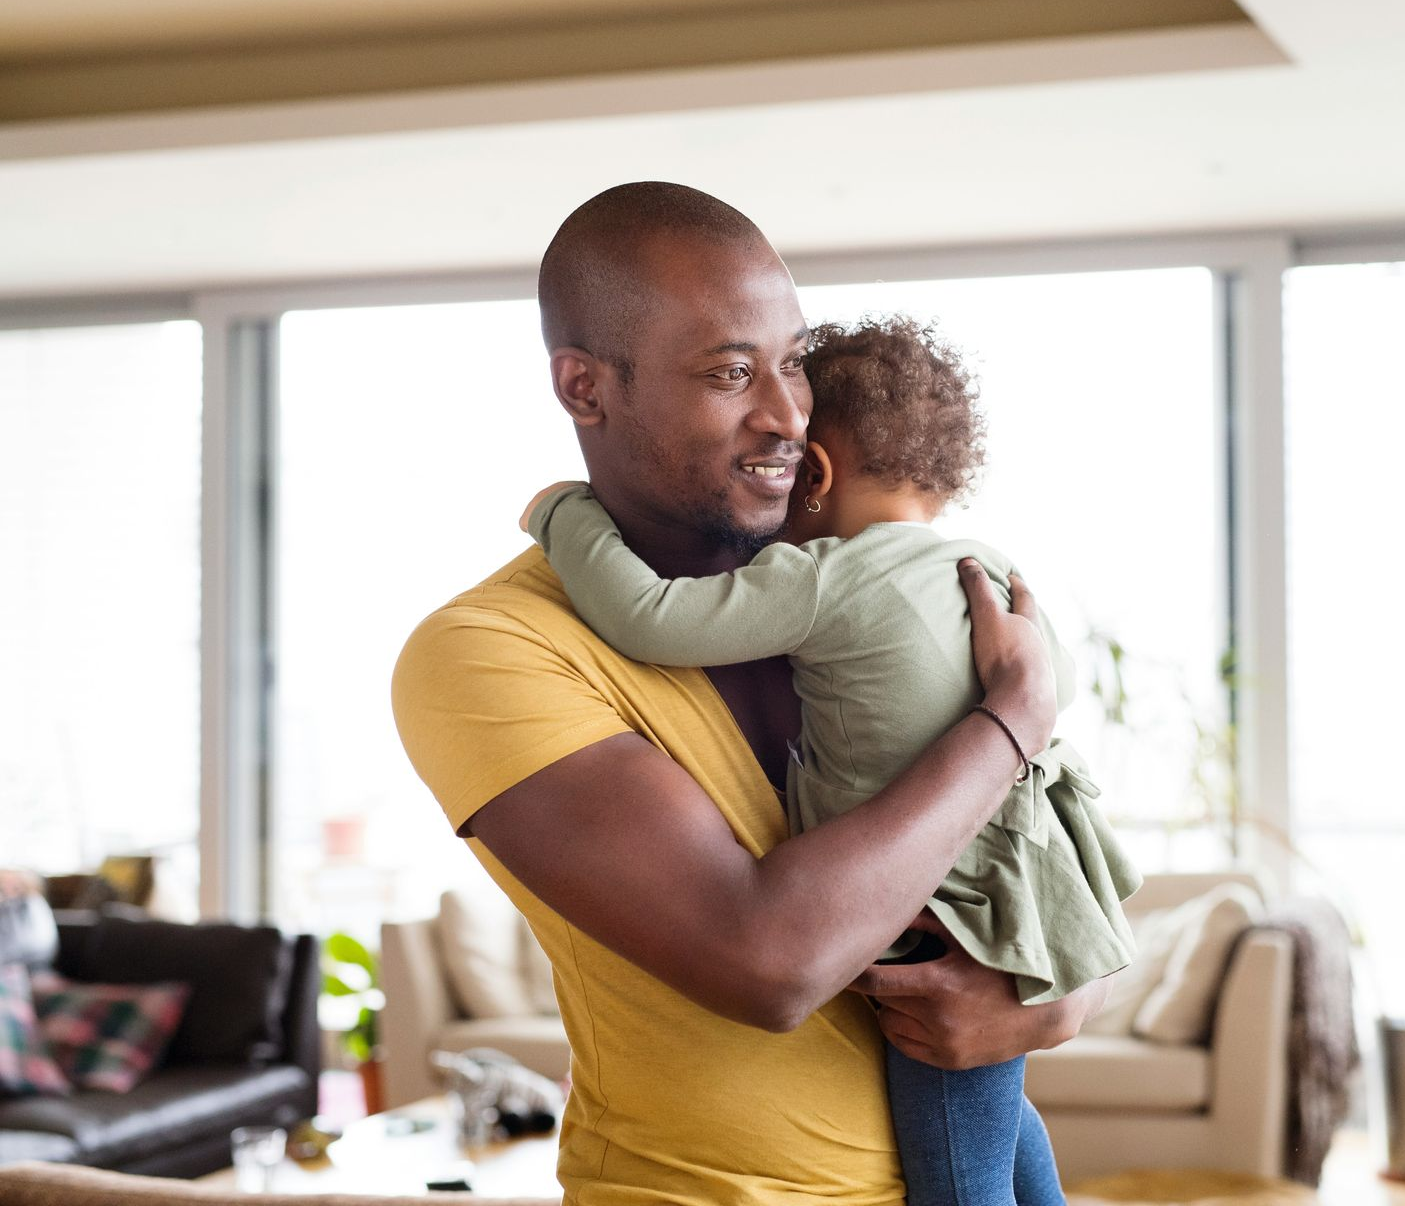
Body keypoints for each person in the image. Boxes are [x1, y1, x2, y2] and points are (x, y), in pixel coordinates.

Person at [392, 182, 1114, 1205]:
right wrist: (1011, 718)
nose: (784, 413)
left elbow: (1042, 847)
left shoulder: (847, 578)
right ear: (585, 387)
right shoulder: (488, 650)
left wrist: (1055, 999)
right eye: (731, 371)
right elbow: (769, 959)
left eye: (790, 364)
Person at [519, 315, 1141, 1205]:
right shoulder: (987, 566)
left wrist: (560, 513)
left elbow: (650, 620)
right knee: (998, 1134)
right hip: (1014, 903)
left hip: (926, 922)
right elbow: (1051, 685)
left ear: (814, 472)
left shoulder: (827, 577)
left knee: (958, 1179)